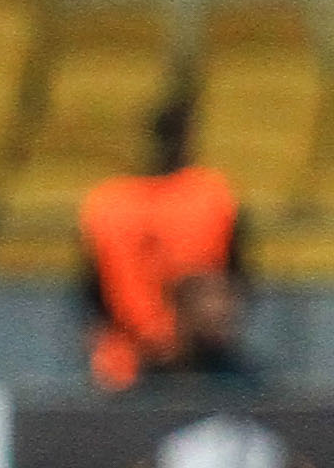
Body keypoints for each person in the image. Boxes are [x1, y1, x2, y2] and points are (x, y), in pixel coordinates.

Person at [80, 97, 249, 388]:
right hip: (150, 355)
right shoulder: (208, 194)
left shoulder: (108, 202)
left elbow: (92, 288)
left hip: (148, 354)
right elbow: (237, 275)